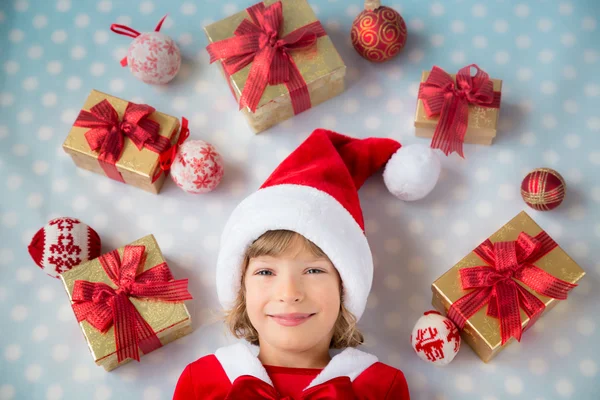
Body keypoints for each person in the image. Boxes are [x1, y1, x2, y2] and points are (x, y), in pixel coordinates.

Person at [173, 129, 440, 399]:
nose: (289, 293)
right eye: (265, 271)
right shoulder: (201, 381)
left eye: (314, 270)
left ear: (345, 287)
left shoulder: (381, 387)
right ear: (240, 286)